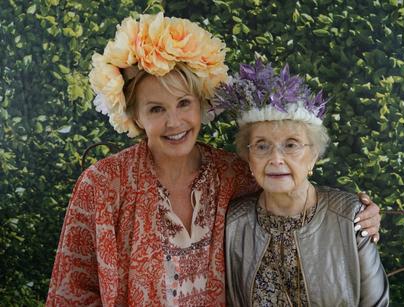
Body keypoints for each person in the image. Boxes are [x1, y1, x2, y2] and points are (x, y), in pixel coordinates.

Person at [46, 13, 382, 306]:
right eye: (156, 109)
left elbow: (294, 202)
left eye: (183, 104)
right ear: (135, 117)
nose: (174, 122)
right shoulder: (103, 184)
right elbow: (70, 292)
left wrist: (360, 217)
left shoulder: (234, 173)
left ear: (201, 104)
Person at [219, 61, 389, 306]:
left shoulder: (350, 215)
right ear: (249, 158)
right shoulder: (235, 222)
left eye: (291, 145)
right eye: (262, 146)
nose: (276, 158)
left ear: (314, 156)